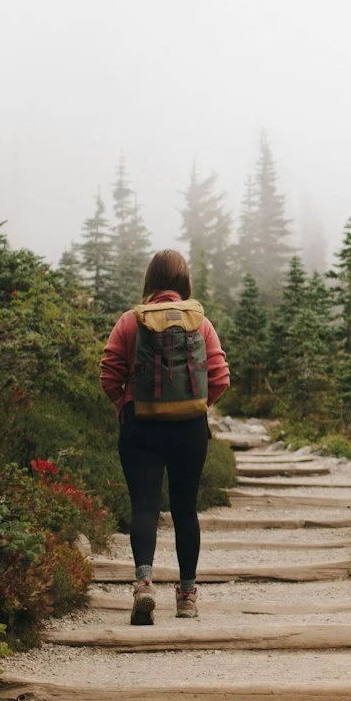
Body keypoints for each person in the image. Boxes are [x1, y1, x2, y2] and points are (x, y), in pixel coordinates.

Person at [98, 250, 231, 624]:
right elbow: (220, 378)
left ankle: (143, 585)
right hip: (189, 429)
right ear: (183, 281)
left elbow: (109, 375)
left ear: (150, 280)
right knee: (185, 509)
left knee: (144, 507)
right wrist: (197, 406)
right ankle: (187, 596)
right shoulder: (200, 323)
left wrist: (126, 407)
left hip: (141, 426)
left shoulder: (130, 321)